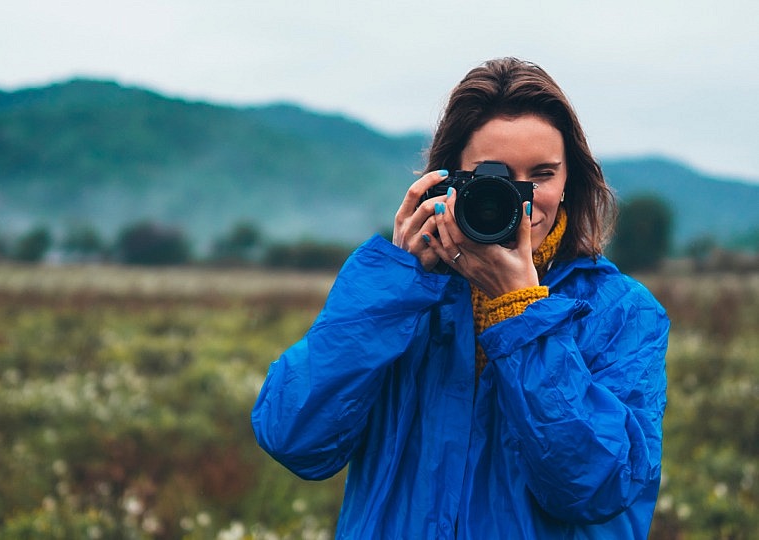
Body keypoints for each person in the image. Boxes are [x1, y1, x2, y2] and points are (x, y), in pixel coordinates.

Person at [251, 57, 669, 539]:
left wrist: (523, 312)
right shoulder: (402, 296)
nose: (520, 197)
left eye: (543, 173)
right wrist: (394, 286)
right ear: (448, 179)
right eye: (495, 175)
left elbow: (599, 487)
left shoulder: (621, 312)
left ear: (570, 181)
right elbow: (295, 438)